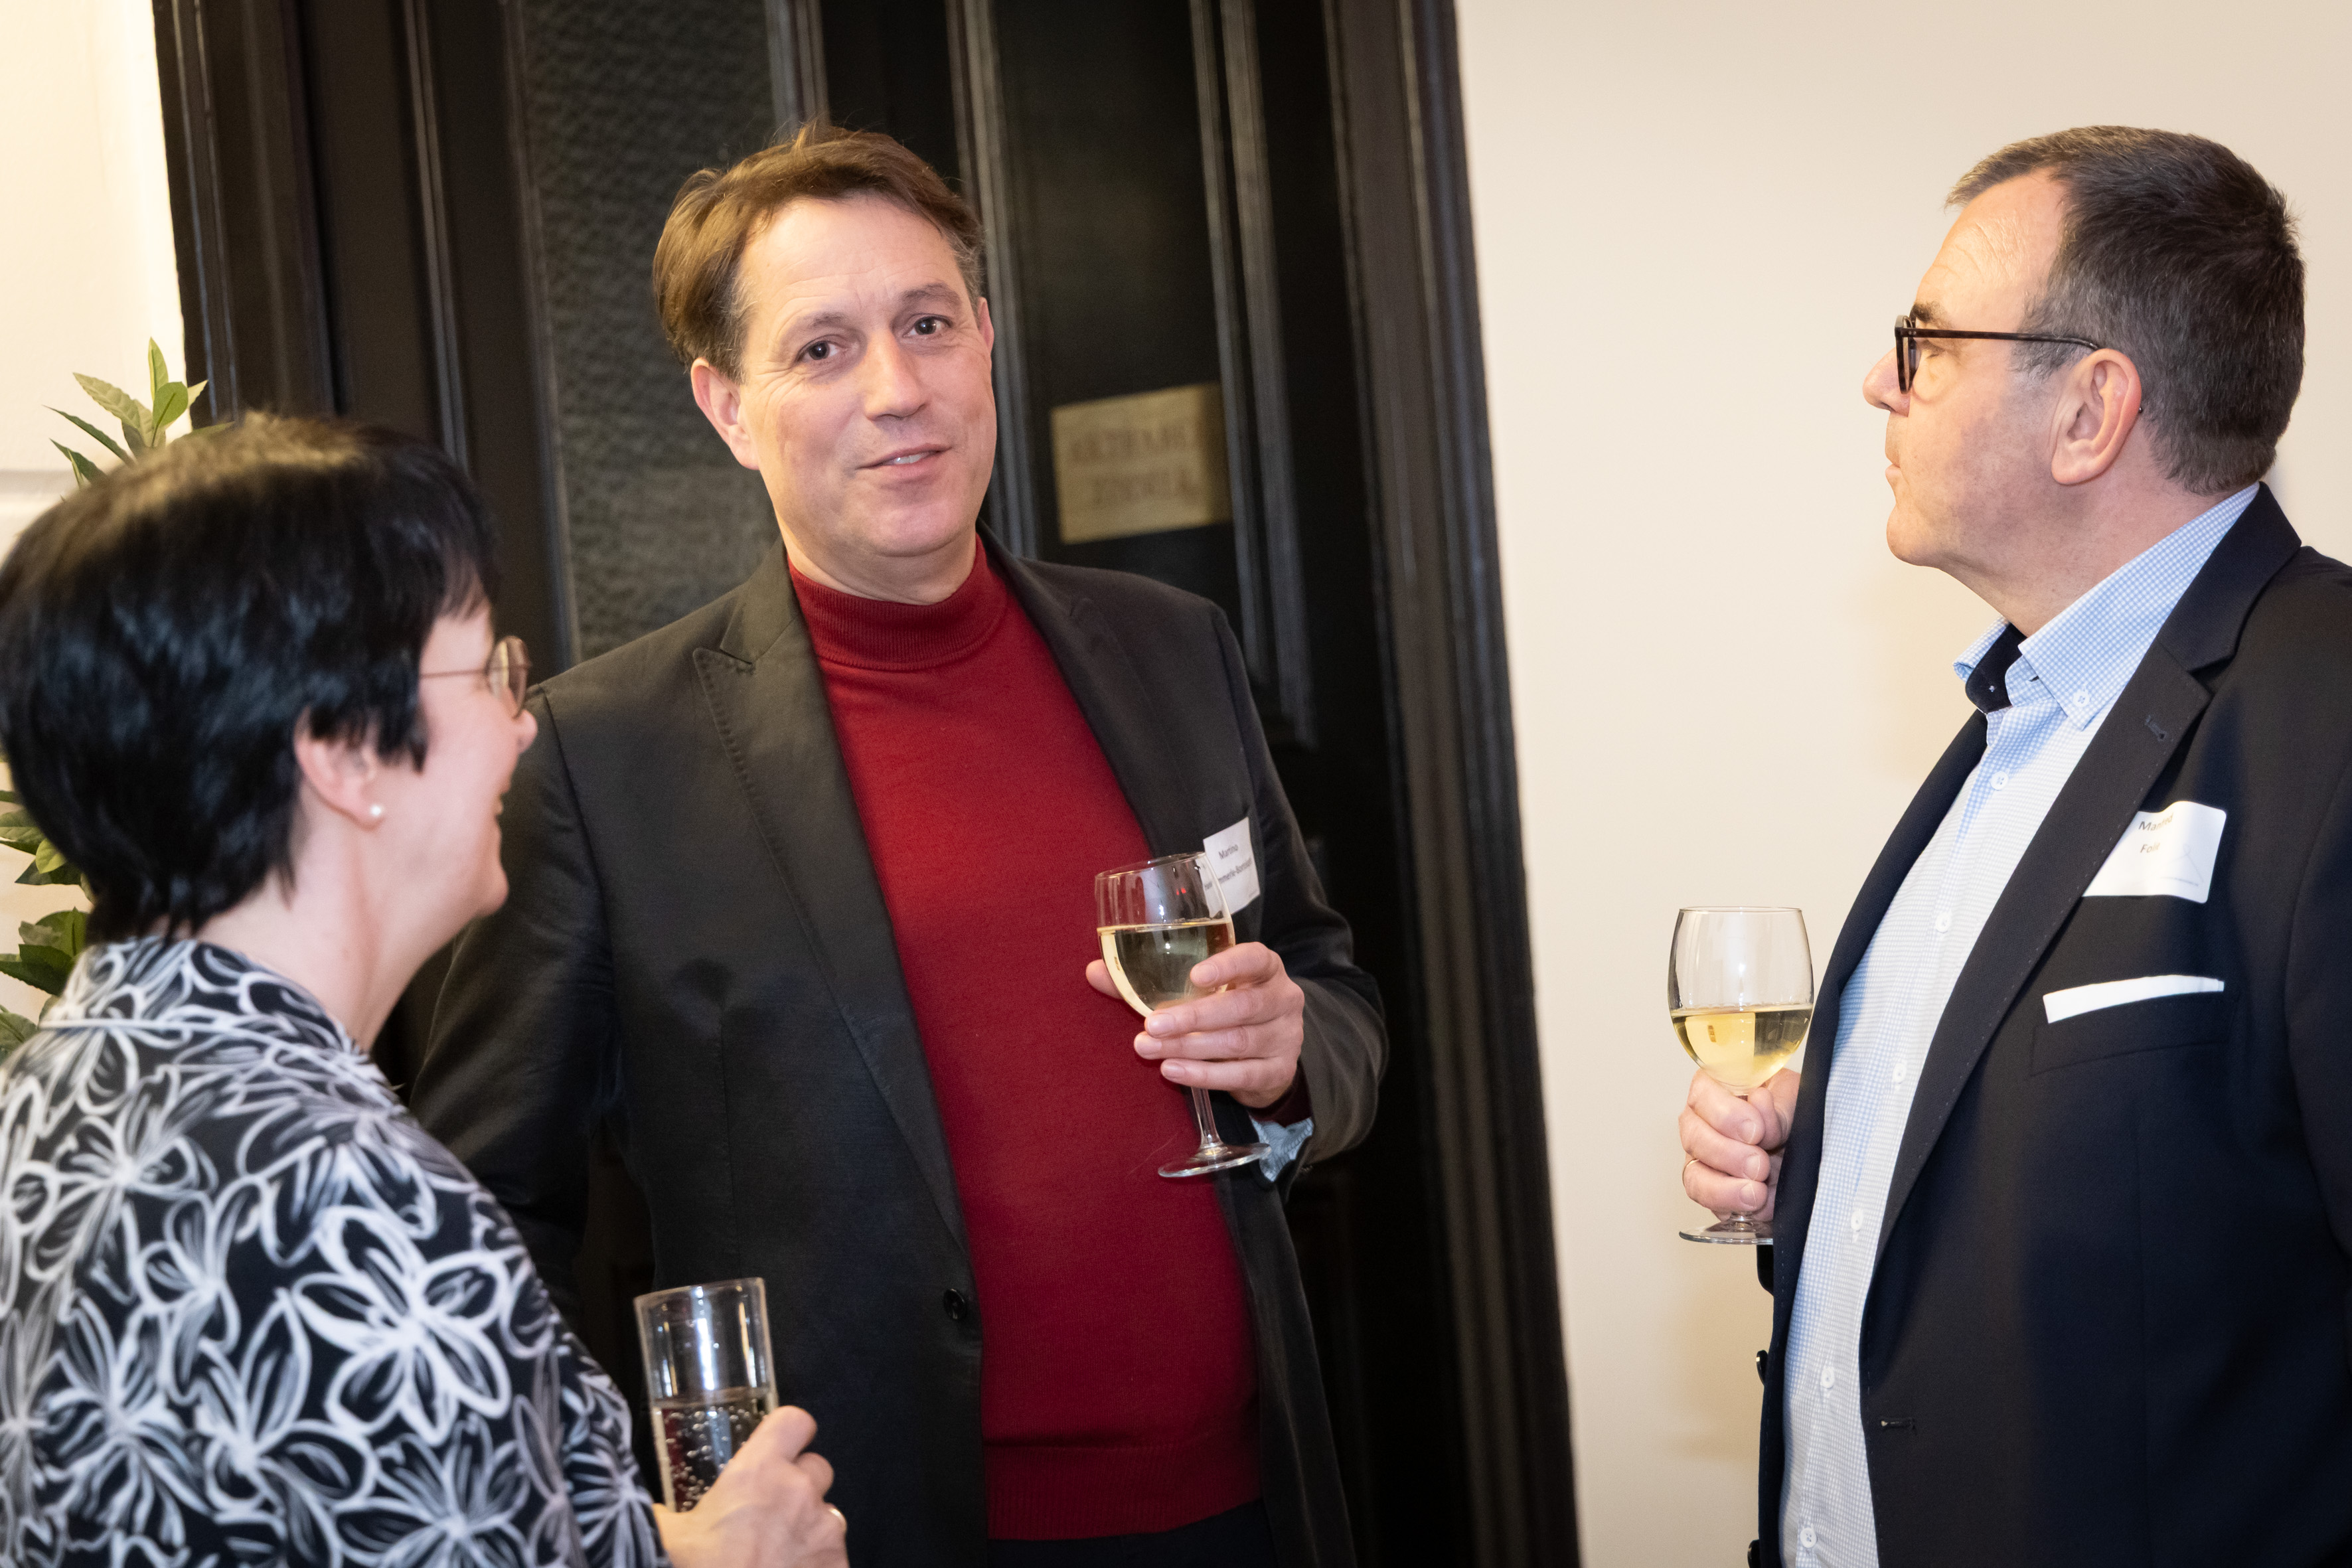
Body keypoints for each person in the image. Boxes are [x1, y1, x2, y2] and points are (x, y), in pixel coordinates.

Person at [412, 123, 1383, 1567]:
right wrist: (619, 1528)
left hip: (1240, 1508)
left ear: (985, 338)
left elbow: (1328, 985)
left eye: (928, 324)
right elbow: (484, 1221)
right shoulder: (600, 760)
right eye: (822, 349)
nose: (897, 388)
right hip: (868, 1533)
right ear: (727, 407)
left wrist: (1291, 1049)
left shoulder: (1171, 648)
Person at [0, 417, 847, 1568]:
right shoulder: (352, 1205)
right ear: (345, 751)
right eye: (489, 670)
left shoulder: (50, 1093)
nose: (521, 724)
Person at [1680, 125, 2352, 1567]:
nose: (1880, 382)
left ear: (2088, 412)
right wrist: (1839, 1145)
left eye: (1926, 342)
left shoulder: (2328, 713)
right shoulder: (2022, 715)